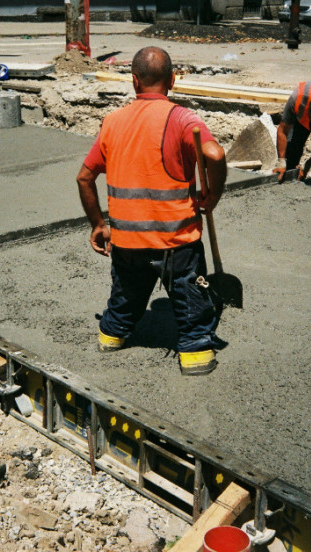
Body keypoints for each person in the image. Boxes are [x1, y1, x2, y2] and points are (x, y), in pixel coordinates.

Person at [76, 47, 227, 376]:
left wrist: (98, 225)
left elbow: (84, 177)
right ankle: (196, 353)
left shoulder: (112, 122)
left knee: (126, 295)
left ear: (134, 81)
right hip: (175, 241)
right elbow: (214, 155)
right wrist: (212, 195)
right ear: (172, 80)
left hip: (127, 240)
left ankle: (111, 336)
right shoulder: (182, 118)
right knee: (190, 299)